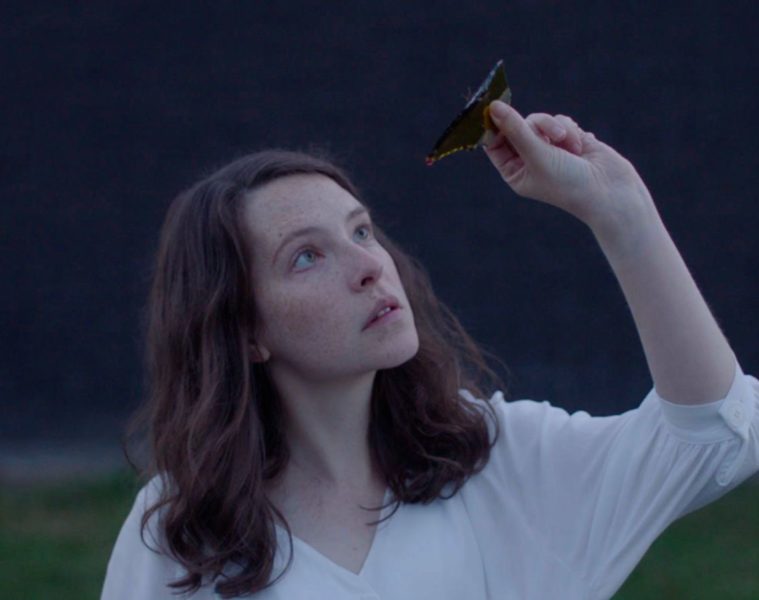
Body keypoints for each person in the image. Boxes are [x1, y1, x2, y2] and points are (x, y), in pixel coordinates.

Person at [101, 100, 759, 600]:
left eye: (361, 231)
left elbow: (715, 435)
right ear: (245, 331)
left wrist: (619, 210)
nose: (368, 266)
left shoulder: (492, 459)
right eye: (306, 257)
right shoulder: (182, 535)